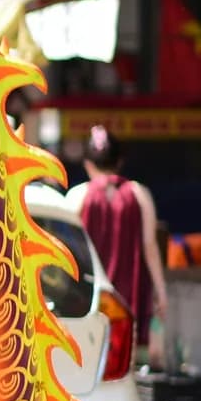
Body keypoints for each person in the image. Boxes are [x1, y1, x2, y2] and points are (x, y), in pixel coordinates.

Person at [70, 126, 167, 356]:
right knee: (125, 364)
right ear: (120, 161)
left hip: (88, 301)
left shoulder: (78, 196)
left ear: (88, 164)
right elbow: (150, 248)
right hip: (127, 301)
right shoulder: (139, 194)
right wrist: (161, 292)